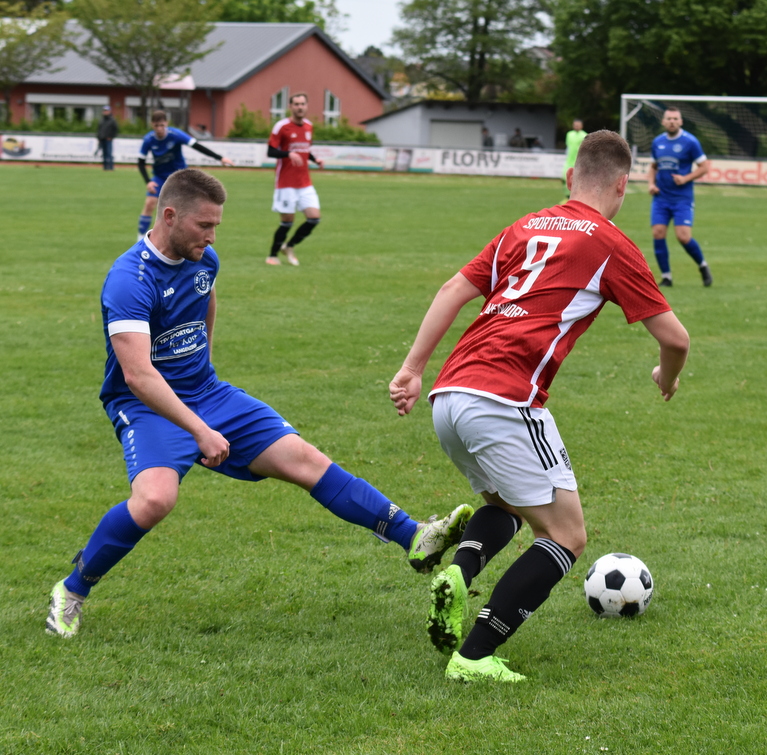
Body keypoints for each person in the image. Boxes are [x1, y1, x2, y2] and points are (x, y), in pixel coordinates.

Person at [46, 168, 473, 639]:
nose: (211, 237)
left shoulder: (204, 259)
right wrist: (200, 430)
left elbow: (206, 298)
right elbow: (138, 375)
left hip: (208, 393)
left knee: (304, 459)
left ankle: (414, 536)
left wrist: (204, 365)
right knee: (154, 500)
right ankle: (72, 590)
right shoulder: (130, 280)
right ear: (168, 216)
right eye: (203, 225)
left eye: (216, 226)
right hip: (146, 405)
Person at [389, 130, 690, 683]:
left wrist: (412, 368)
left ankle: (459, 573)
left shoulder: (524, 226)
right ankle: (474, 656)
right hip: (504, 400)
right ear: (622, 186)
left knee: (506, 506)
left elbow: (453, 289)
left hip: (448, 396)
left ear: (570, 177)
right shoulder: (610, 243)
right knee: (566, 536)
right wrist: (665, 377)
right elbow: (676, 339)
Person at [136, 110, 233, 241]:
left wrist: (220, 158)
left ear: (166, 123)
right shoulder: (149, 139)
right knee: (149, 203)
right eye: (156, 126)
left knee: (185, 208)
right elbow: (141, 162)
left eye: (162, 125)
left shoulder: (176, 135)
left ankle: (185, 236)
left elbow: (197, 146)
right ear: (152, 125)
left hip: (179, 178)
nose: (159, 129)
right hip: (160, 177)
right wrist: (148, 181)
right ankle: (140, 239)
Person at [648, 107, 713, 287]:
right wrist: (651, 184)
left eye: (675, 119)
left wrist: (685, 178)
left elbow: (704, 167)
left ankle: (702, 265)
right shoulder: (657, 142)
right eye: (669, 118)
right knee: (658, 233)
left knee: (683, 237)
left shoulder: (690, 141)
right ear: (663, 121)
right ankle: (666, 277)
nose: (672, 122)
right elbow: (653, 167)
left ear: (681, 121)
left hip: (682, 198)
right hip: (661, 197)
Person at [265, 93, 323, 267]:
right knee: (287, 222)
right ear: (290, 106)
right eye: (296, 104)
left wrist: (315, 160)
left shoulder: (309, 126)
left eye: (303, 104)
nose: (300, 107)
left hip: (305, 182)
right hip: (286, 183)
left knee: (314, 218)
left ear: (307, 106)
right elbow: (271, 151)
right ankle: (272, 256)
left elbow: (305, 150)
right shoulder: (281, 126)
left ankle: (289, 246)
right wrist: (288, 153)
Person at [563, 118, 587, 198]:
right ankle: (567, 197)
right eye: (575, 125)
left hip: (579, 161)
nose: (576, 126)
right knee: (565, 178)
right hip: (569, 161)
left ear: (581, 126)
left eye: (578, 125)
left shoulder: (584, 135)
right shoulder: (569, 134)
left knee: (579, 180)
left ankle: (578, 197)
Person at [97, 105, 119, 171]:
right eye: (104, 111)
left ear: (109, 111)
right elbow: (99, 130)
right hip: (102, 139)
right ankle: (105, 167)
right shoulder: (101, 120)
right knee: (104, 154)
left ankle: (111, 167)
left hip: (108, 140)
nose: (105, 112)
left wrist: (111, 137)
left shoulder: (112, 120)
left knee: (109, 153)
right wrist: (99, 138)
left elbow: (116, 130)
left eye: (106, 111)